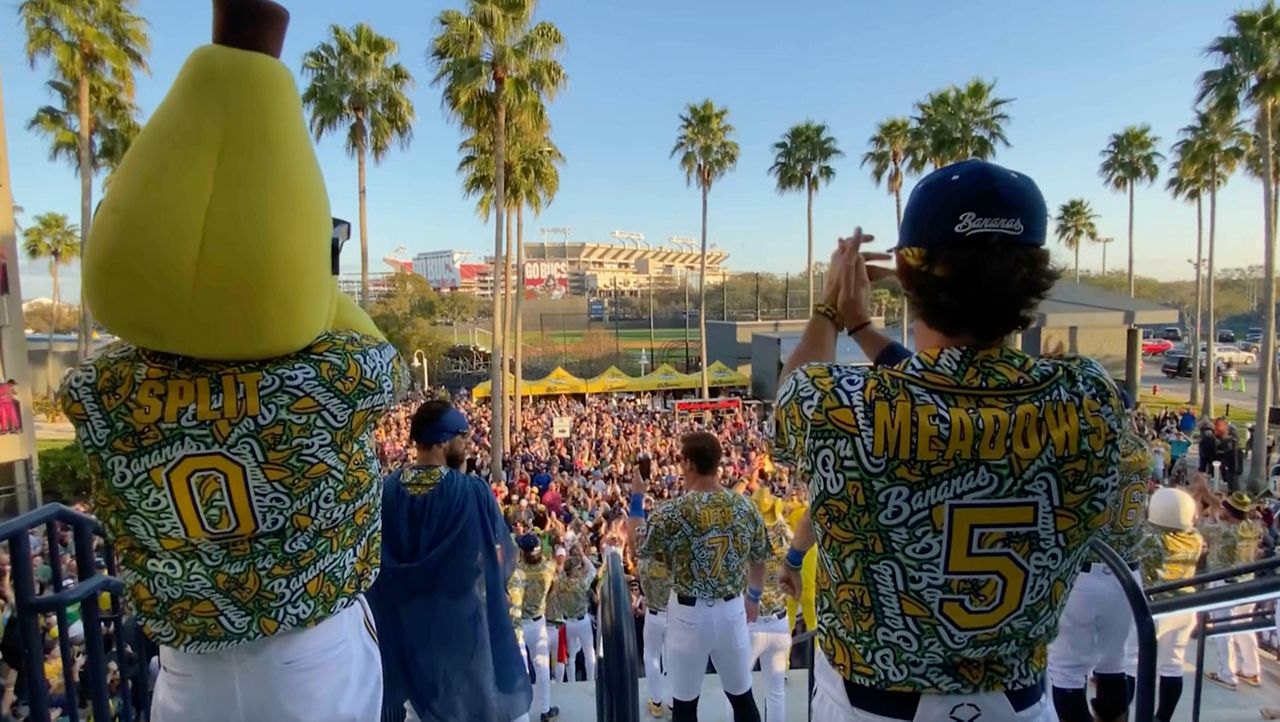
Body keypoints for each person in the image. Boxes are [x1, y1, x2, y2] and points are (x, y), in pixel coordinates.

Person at [57, 2, 407, 720]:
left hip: (187, 672)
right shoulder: (336, 376)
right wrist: (311, 284)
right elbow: (382, 359)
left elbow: (167, 297)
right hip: (315, 658)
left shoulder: (97, 390)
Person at [774, 160, 1125, 722]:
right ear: (1033, 277)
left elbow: (796, 397)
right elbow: (961, 387)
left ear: (908, 277)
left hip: (872, 708)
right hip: (1020, 704)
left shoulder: (841, 405)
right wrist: (865, 331)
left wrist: (832, 311)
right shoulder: (1090, 398)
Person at [366, 400, 532, 722]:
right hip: (461, 633)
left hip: (407, 635)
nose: (468, 444)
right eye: (463, 436)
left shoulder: (386, 491)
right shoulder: (472, 492)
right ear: (442, 441)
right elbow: (502, 560)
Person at [629, 432, 769, 722]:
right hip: (732, 611)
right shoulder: (745, 506)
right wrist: (753, 597)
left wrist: (637, 496)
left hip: (688, 616)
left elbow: (638, 548)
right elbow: (759, 557)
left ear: (690, 463)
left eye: (681, 459)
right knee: (743, 700)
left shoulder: (674, 511)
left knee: (685, 706)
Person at [1047, 414, 1152, 722]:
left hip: (1083, 571)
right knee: (1114, 663)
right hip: (1126, 574)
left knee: (1066, 668)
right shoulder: (1142, 449)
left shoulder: (1085, 446)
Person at [1136, 487, 1205, 722]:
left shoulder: (1150, 539)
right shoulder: (1195, 538)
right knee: (1172, 666)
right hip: (1185, 606)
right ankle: (1162, 718)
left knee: (1128, 662)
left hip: (1156, 609)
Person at [1199, 491, 1265, 690]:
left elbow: (1199, 528)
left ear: (1231, 512)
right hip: (1247, 586)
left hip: (1224, 587)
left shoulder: (1223, 532)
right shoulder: (1253, 529)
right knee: (1245, 629)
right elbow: (1226, 513)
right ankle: (1251, 671)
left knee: (1224, 631)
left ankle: (1227, 674)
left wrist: (1204, 494)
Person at [515, 534, 559, 722]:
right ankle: (545, 710)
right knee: (542, 668)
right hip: (537, 622)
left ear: (523, 552)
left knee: (519, 671)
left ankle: (521, 714)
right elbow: (551, 591)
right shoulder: (549, 568)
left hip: (517, 624)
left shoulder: (516, 570)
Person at [633, 519, 673, 718]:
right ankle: (674, 703)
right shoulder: (675, 565)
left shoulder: (645, 565)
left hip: (654, 614)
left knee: (651, 656)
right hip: (674, 615)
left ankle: (656, 702)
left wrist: (641, 539)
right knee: (672, 658)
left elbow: (638, 553)